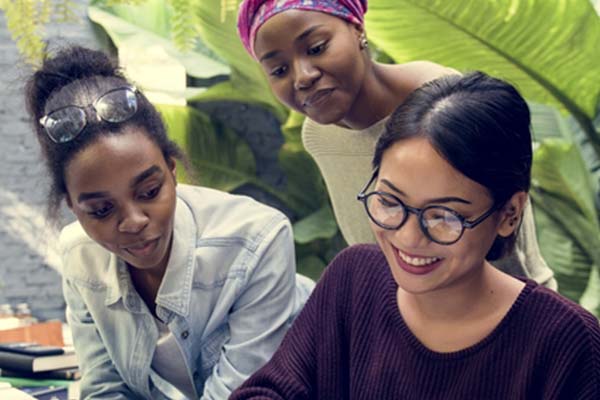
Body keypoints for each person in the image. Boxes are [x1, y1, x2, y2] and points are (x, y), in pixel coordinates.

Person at [230, 72, 600, 399]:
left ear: (509, 214)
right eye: (390, 202)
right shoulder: (354, 279)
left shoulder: (568, 342)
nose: (408, 237)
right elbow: (270, 389)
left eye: (443, 216)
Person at [25, 45, 314, 399]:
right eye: (101, 210)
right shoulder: (80, 256)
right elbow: (104, 388)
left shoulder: (256, 239)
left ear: (172, 171)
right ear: (72, 206)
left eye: (149, 191)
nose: (133, 221)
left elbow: (238, 393)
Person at [237, 0, 556, 288]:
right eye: (279, 70)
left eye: (317, 48)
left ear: (357, 29)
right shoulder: (319, 136)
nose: (302, 76)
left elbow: (513, 250)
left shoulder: (452, 106)